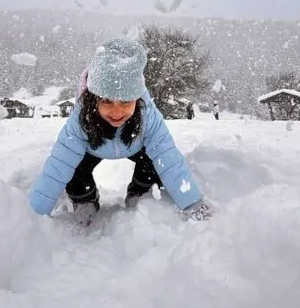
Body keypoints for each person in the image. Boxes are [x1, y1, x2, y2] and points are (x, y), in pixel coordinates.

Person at [29, 37, 212, 224]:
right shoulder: (80, 120)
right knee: (73, 166)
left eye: (126, 102)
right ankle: (85, 199)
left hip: (135, 146)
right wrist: (33, 216)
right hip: (92, 150)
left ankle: (139, 193)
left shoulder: (148, 116)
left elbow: (169, 160)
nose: (117, 112)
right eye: (107, 101)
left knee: (154, 161)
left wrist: (193, 204)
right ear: (94, 99)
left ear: (137, 98)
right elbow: (58, 167)